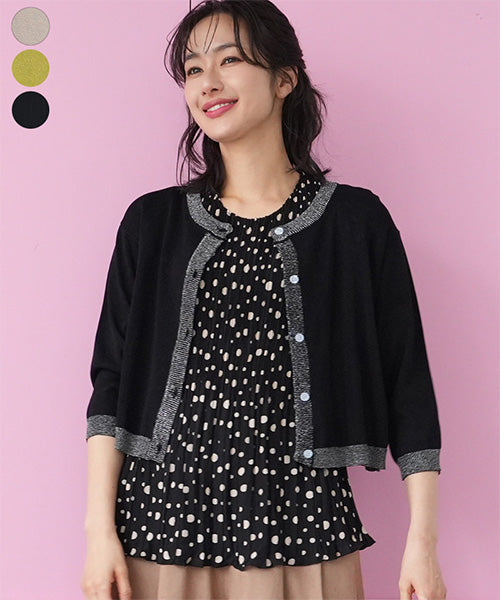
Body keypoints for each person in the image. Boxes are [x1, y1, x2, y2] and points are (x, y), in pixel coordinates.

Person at [81, 1, 447, 599]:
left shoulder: (355, 223)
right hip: (160, 529)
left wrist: (423, 543)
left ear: (284, 79)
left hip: (307, 531)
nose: (208, 83)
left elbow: (407, 382)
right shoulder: (152, 224)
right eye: (193, 69)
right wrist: (99, 533)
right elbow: (110, 381)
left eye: (229, 60)